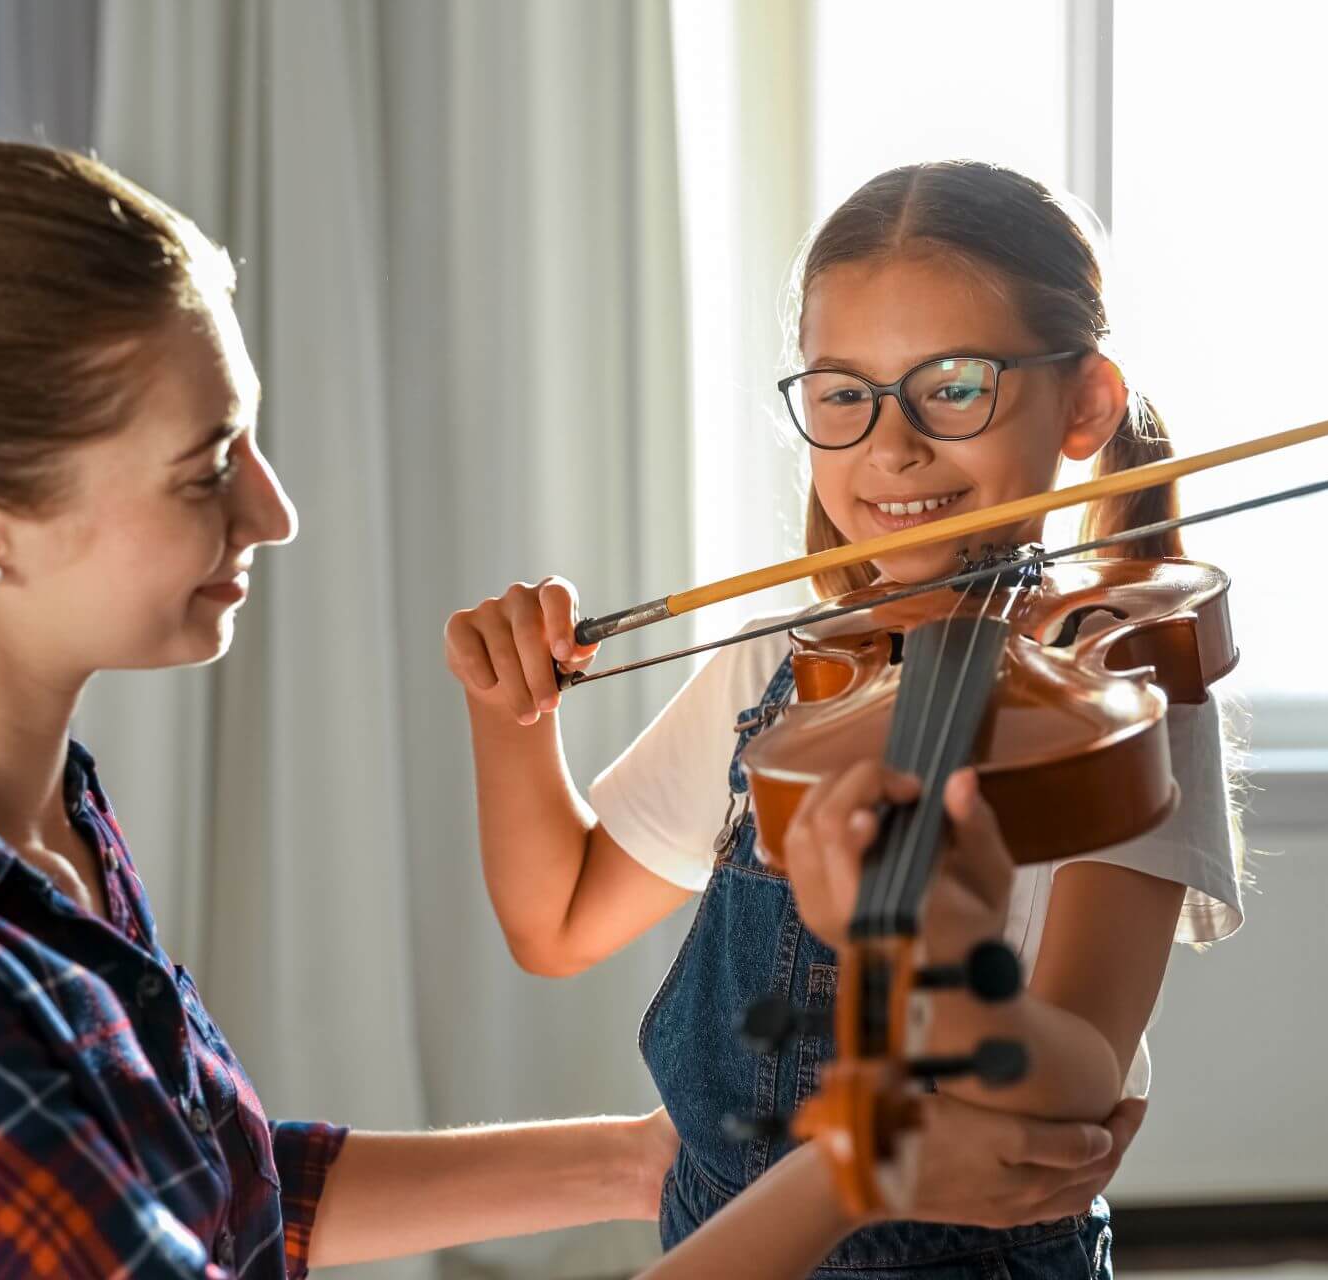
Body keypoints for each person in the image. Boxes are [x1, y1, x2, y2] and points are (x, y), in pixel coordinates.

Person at [0, 142, 1137, 1279]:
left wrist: (647, 1163)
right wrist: (854, 1173)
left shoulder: (31, 825)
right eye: (206, 464)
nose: (276, 512)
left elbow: (220, 1187)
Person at [446, 160, 1245, 1277]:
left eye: (955, 385)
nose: (891, 445)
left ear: (1087, 404)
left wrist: (942, 951)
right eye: (841, 391)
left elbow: (1073, 1076)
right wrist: (509, 714)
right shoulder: (789, 664)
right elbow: (559, 919)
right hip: (721, 1236)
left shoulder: (1120, 689)